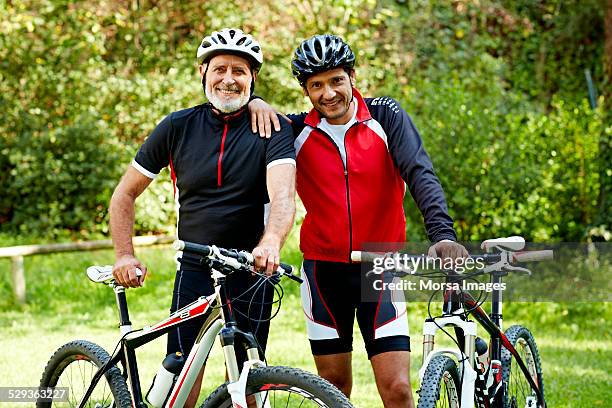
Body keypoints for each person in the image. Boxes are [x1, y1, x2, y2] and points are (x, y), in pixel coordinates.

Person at [248, 34, 468, 407]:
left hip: (379, 267)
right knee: (332, 385)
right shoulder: (295, 130)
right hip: (322, 271)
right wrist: (254, 99)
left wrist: (442, 234)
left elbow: (419, 173)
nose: (328, 93)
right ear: (305, 90)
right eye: (316, 85)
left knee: (397, 387)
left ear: (352, 77)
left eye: (336, 80)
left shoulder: (385, 116)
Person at [109, 28, 296, 408]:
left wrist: (272, 241)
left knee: (248, 374)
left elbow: (282, 195)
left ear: (252, 78)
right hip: (194, 266)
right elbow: (124, 194)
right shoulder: (177, 126)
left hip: (252, 268)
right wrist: (124, 254)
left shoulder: (274, 127)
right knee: (180, 371)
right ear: (202, 73)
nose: (229, 78)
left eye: (239, 71)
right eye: (220, 69)